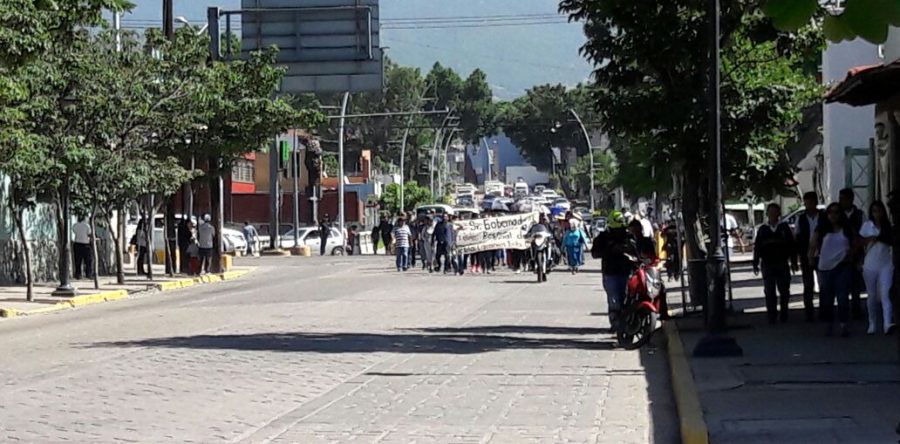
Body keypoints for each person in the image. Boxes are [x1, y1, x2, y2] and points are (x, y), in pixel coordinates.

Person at [810, 203, 856, 337]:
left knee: (842, 297)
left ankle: (843, 325)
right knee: (827, 299)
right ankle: (828, 324)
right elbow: (813, 245)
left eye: (836, 212)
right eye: (830, 212)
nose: (833, 215)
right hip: (825, 267)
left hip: (842, 266)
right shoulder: (822, 229)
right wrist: (810, 258)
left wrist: (851, 256)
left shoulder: (847, 229)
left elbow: (855, 244)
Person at [753, 203, 798, 324]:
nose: (773, 215)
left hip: (782, 263)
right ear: (767, 214)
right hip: (767, 264)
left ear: (779, 214)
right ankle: (771, 314)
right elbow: (757, 247)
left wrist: (794, 262)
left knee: (784, 289)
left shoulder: (784, 228)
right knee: (769, 290)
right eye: (771, 212)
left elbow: (791, 246)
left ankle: (784, 312)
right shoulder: (763, 229)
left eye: (775, 212)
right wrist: (755, 262)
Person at [592, 211, 633, 331]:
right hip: (610, 273)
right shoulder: (604, 237)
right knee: (614, 300)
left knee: (629, 298)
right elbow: (595, 252)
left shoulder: (628, 236)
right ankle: (615, 324)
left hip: (628, 272)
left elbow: (637, 248)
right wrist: (610, 249)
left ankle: (630, 322)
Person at [861, 200, 895, 335]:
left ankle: (887, 323)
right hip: (870, 265)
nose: (877, 214)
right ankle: (872, 323)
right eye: (874, 211)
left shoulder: (888, 227)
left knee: (886, 294)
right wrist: (869, 239)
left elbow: (891, 241)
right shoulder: (867, 226)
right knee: (872, 295)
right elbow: (859, 241)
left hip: (886, 264)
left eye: (879, 211)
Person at [795, 192, 824, 322]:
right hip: (806, 254)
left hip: (822, 254)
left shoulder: (823, 217)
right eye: (806, 203)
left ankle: (824, 310)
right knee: (808, 285)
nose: (809, 205)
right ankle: (809, 312)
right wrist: (797, 256)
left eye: (811, 202)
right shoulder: (801, 219)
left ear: (815, 202)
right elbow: (797, 237)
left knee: (823, 284)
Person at [839, 188, 865, 319]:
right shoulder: (837, 214)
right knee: (842, 284)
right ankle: (843, 310)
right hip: (840, 253)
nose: (841, 201)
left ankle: (856, 309)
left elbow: (863, 233)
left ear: (850, 200)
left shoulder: (859, 214)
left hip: (856, 253)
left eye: (843, 199)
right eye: (840, 198)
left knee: (855, 283)